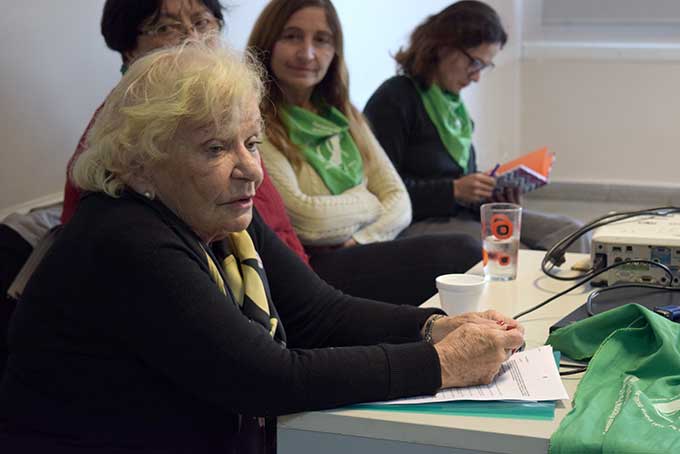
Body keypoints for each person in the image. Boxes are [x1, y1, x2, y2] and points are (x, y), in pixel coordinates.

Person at [0, 43, 525, 453]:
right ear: (142, 163)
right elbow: (269, 378)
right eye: (214, 148)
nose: (251, 169)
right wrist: (442, 364)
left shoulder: (215, 215)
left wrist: (433, 327)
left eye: (250, 141)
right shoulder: (125, 239)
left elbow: (321, 314)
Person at [247, 0, 484, 305]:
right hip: (308, 266)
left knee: (469, 251)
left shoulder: (344, 115)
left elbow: (400, 202)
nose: (307, 53)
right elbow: (307, 219)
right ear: (267, 42)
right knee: (462, 251)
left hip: (360, 245)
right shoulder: (255, 118)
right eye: (292, 36)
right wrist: (369, 199)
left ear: (335, 51)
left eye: (321, 40)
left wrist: (361, 237)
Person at [59, 0, 311, 265]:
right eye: (166, 27)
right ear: (129, 50)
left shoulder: (226, 117)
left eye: (202, 22)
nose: (193, 38)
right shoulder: (120, 135)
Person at [364, 0, 589, 253]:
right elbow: (379, 192)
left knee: (572, 233)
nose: (477, 76)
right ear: (444, 47)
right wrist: (453, 191)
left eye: (484, 66)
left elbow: (460, 182)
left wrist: (494, 194)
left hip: (465, 216)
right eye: (475, 63)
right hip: (416, 222)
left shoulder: (454, 111)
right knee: (513, 251)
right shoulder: (395, 98)